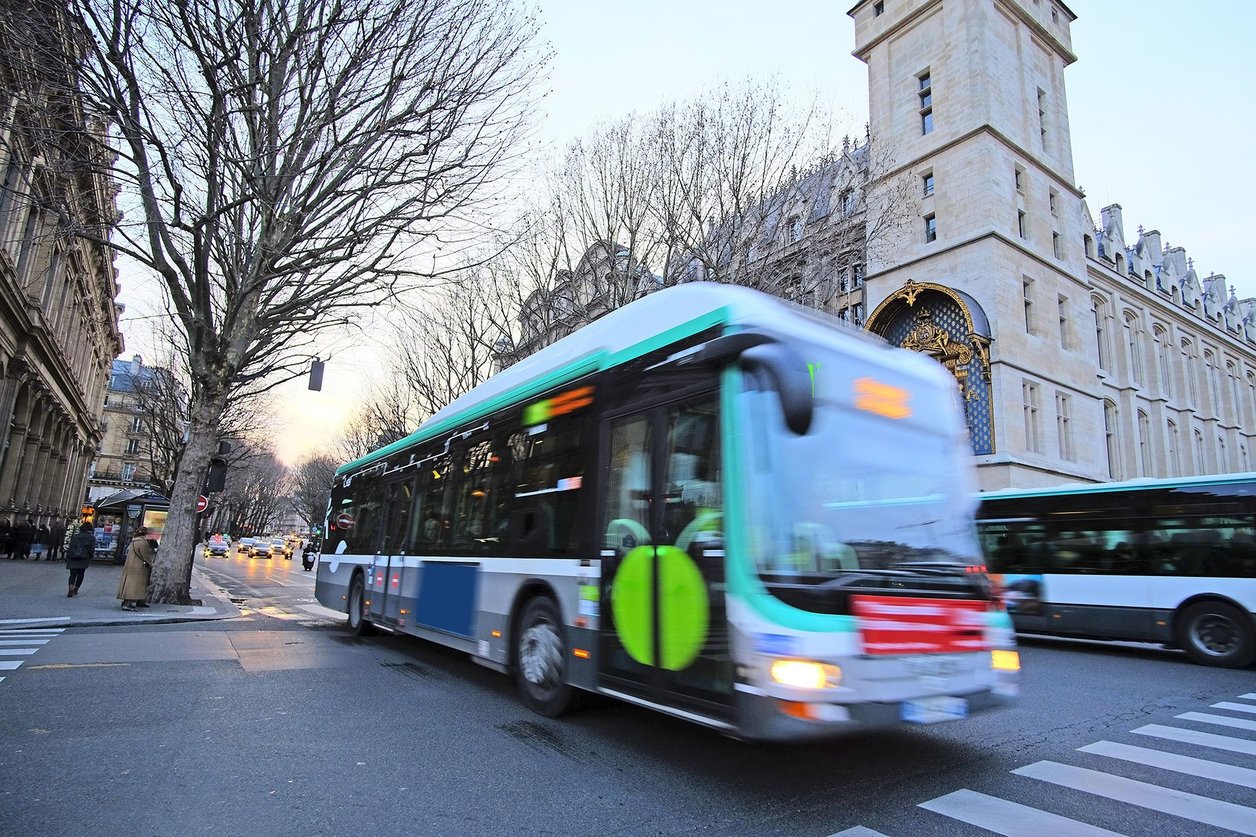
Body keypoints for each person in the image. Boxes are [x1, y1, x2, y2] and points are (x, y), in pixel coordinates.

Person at [117, 526, 155, 611]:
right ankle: (128, 603)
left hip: (131, 566)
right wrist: (152, 564)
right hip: (139, 567)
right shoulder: (142, 542)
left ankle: (137, 601)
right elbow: (146, 555)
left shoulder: (135, 541)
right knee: (135, 585)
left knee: (133, 584)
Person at [65, 522, 95, 597]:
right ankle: (76, 589)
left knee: (72, 574)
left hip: (73, 557)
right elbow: (91, 549)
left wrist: (68, 556)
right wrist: (91, 556)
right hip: (84, 558)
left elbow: (71, 546)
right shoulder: (91, 538)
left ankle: (71, 587)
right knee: (81, 574)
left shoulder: (75, 536)